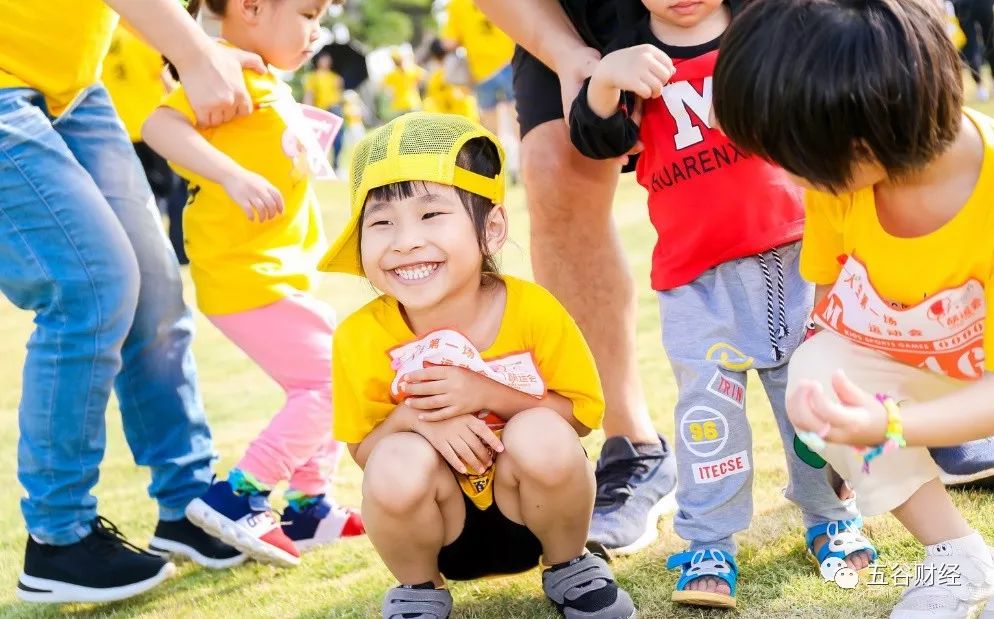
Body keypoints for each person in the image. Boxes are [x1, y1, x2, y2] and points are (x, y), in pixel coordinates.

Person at [567, 0, 878, 608]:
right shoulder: (633, 56)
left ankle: (830, 515)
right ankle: (708, 539)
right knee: (707, 414)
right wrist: (604, 80)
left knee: (809, 400)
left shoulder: (764, 30)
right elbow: (597, 141)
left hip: (795, 255)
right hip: (694, 278)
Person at [712, 0, 994, 616]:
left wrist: (888, 428)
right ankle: (958, 554)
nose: (789, 177)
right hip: (925, 363)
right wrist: (835, 431)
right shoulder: (844, 186)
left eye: (793, 157)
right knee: (814, 376)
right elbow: (830, 310)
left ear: (867, 136)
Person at [322, 111, 636, 619]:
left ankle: (569, 567)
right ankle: (419, 590)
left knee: (542, 430)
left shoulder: (532, 308)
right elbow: (365, 450)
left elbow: (580, 414)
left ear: (490, 230)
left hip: (530, 510)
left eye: (430, 215)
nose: (404, 241)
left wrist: (487, 394)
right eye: (380, 222)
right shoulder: (359, 336)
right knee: (395, 460)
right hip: (438, 523)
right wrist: (415, 419)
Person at [1, 0, 264, 604]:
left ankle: (188, 506)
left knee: (154, 289)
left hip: (72, 85)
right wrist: (195, 54)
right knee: (88, 287)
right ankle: (58, 539)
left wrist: (190, 48)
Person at [142, 0, 363, 568]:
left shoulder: (262, 76)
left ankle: (309, 506)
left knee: (340, 365)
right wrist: (229, 175)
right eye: (308, 15)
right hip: (242, 271)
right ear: (252, 8)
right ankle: (239, 495)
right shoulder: (225, 70)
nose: (317, 32)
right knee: (327, 381)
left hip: (279, 269)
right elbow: (159, 125)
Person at [472, 0, 678, 560]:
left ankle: (865, 408)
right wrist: (570, 59)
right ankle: (634, 446)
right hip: (569, 11)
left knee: (782, 125)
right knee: (552, 174)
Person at [102, 24, 189, 264]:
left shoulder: (105, 34)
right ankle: (177, 252)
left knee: (137, 196)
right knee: (172, 191)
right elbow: (167, 77)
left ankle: (144, 254)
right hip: (153, 126)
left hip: (119, 127)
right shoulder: (141, 33)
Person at [440, 0, 519, 178]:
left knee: (492, 129)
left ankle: (499, 172)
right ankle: (519, 165)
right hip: (510, 63)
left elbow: (449, 42)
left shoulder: (456, 4)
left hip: (482, 71)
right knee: (518, 121)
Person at [302, 52, 345, 168]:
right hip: (321, 110)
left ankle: (336, 163)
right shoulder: (312, 77)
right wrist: (307, 110)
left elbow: (339, 97)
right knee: (320, 139)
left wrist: (340, 86)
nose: (326, 62)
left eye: (328, 60)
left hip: (335, 109)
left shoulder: (335, 77)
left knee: (338, 139)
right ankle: (318, 164)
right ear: (318, 61)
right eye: (323, 59)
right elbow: (309, 95)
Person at [424, 39, 480, 122]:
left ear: (435, 57)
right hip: (468, 119)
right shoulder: (464, 68)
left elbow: (432, 100)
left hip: (446, 123)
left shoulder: (435, 77)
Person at [953, 0, 994, 101]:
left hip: (964, 5)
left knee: (972, 47)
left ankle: (980, 87)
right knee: (987, 44)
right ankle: (983, 85)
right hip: (979, 5)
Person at [382, 48, 425, 117]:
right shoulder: (411, 69)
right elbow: (424, 76)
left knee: (402, 127)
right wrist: (416, 83)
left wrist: (391, 92)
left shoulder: (392, 74)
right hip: (412, 102)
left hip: (399, 105)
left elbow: (382, 85)